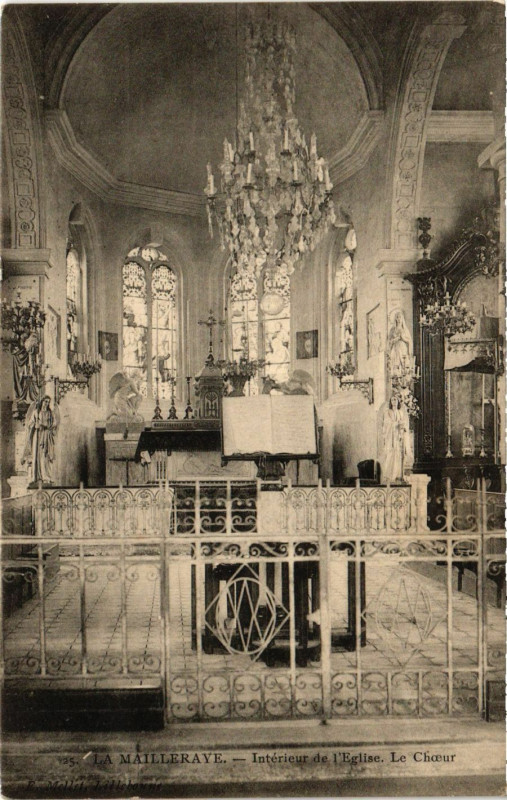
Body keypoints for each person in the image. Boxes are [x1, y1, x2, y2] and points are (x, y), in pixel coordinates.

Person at [22, 395, 60, 485]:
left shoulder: (50, 413)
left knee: (45, 455)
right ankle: (35, 477)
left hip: (46, 435)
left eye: (48, 402)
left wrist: (47, 426)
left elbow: (55, 424)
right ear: (42, 402)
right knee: (36, 454)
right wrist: (35, 425)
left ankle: (46, 476)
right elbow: (30, 423)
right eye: (45, 401)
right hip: (37, 435)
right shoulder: (36, 412)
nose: (46, 403)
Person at [382, 395, 413, 483]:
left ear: (398, 401)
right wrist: (396, 424)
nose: (394, 401)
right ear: (390, 402)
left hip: (399, 436)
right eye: (392, 400)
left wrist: (403, 426)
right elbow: (386, 423)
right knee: (390, 454)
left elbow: (404, 423)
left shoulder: (400, 412)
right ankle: (388, 476)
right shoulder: (387, 412)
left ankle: (398, 475)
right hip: (390, 437)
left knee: (398, 455)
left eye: (395, 400)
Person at [387, 310, 413, 377]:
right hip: (395, 348)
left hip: (403, 348)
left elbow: (409, 341)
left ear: (402, 318)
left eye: (400, 317)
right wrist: (396, 339)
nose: (399, 319)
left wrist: (403, 338)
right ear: (395, 319)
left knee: (403, 364)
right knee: (395, 364)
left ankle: (404, 378)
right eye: (397, 317)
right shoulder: (392, 330)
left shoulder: (405, 329)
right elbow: (389, 341)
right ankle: (396, 377)